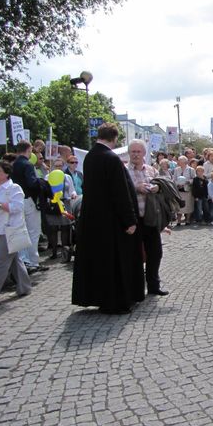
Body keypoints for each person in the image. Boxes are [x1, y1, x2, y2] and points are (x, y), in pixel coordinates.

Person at [72, 124, 145, 313]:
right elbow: (120, 192)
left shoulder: (89, 157)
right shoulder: (111, 159)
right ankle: (116, 301)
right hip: (112, 220)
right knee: (115, 262)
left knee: (99, 260)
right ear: (114, 139)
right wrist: (129, 220)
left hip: (93, 219)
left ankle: (98, 296)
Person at [126, 139, 168, 296]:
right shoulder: (123, 170)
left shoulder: (151, 170)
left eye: (138, 152)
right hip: (133, 220)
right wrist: (136, 188)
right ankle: (135, 288)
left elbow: (162, 185)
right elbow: (121, 192)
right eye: (133, 152)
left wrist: (158, 187)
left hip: (150, 217)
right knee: (134, 254)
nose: (136, 155)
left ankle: (153, 285)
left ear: (144, 153)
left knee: (155, 253)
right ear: (129, 153)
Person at [0, 161, 32, 304]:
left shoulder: (14, 188)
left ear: (6, 173)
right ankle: (24, 287)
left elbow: (18, 208)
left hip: (9, 229)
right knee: (14, 260)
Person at [11, 141, 47, 273]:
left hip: (17, 201)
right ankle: (33, 261)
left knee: (22, 231)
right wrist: (41, 183)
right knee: (33, 231)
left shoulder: (13, 164)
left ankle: (24, 260)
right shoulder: (27, 164)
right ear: (29, 150)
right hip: (29, 200)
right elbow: (32, 184)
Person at [173, 155, 195, 225]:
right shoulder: (177, 169)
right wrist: (178, 183)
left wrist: (187, 181)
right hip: (179, 190)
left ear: (184, 162)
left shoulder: (191, 170)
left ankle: (187, 220)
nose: (178, 162)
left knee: (188, 205)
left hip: (187, 190)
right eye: (178, 161)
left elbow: (194, 179)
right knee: (179, 205)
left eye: (180, 161)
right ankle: (179, 220)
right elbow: (174, 179)